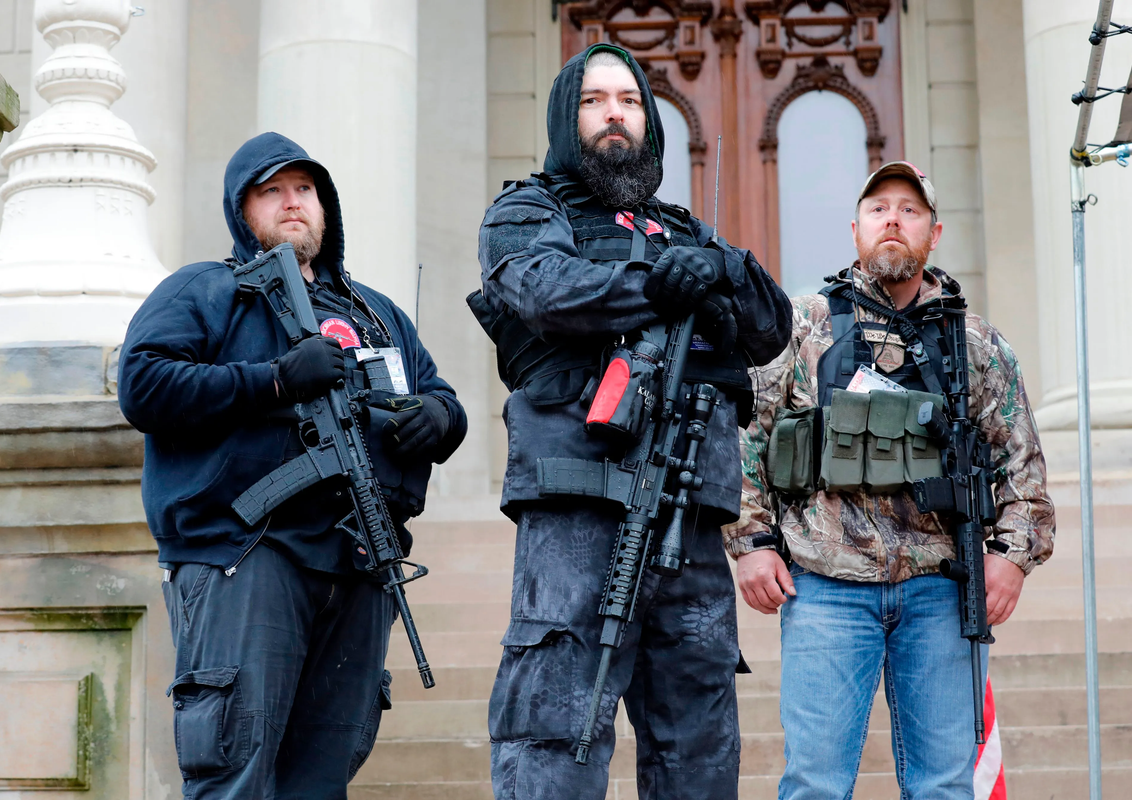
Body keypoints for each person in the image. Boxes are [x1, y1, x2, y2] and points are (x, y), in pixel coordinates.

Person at [473, 44, 791, 799]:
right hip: (580, 502)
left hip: (687, 513)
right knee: (556, 725)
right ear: (565, 115)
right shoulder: (526, 210)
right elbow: (547, 291)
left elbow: (769, 326)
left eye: (630, 101)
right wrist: (661, 283)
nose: (615, 113)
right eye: (594, 100)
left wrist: (718, 269)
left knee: (699, 738)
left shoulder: (686, 231)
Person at [118, 132, 467, 799]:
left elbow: (440, 394)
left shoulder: (377, 311)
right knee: (233, 767)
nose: (291, 203)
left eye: (303, 189)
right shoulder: (208, 289)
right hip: (248, 554)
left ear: (324, 204)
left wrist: (441, 418)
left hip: (360, 563)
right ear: (241, 209)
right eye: (270, 191)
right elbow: (145, 383)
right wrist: (272, 381)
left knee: (320, 778)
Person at [726, 161, 1055, 798]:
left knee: (945, 786)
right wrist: (751, 542)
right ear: (856, 230)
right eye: (879, 209)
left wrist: (1012, 557)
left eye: (910, 210)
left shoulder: (975, 343)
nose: (893, 221)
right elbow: (746, 436)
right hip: (824, 587)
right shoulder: (803, 326)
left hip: (940, 589)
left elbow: (1023, 465)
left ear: (935, 233)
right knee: (816, 785)